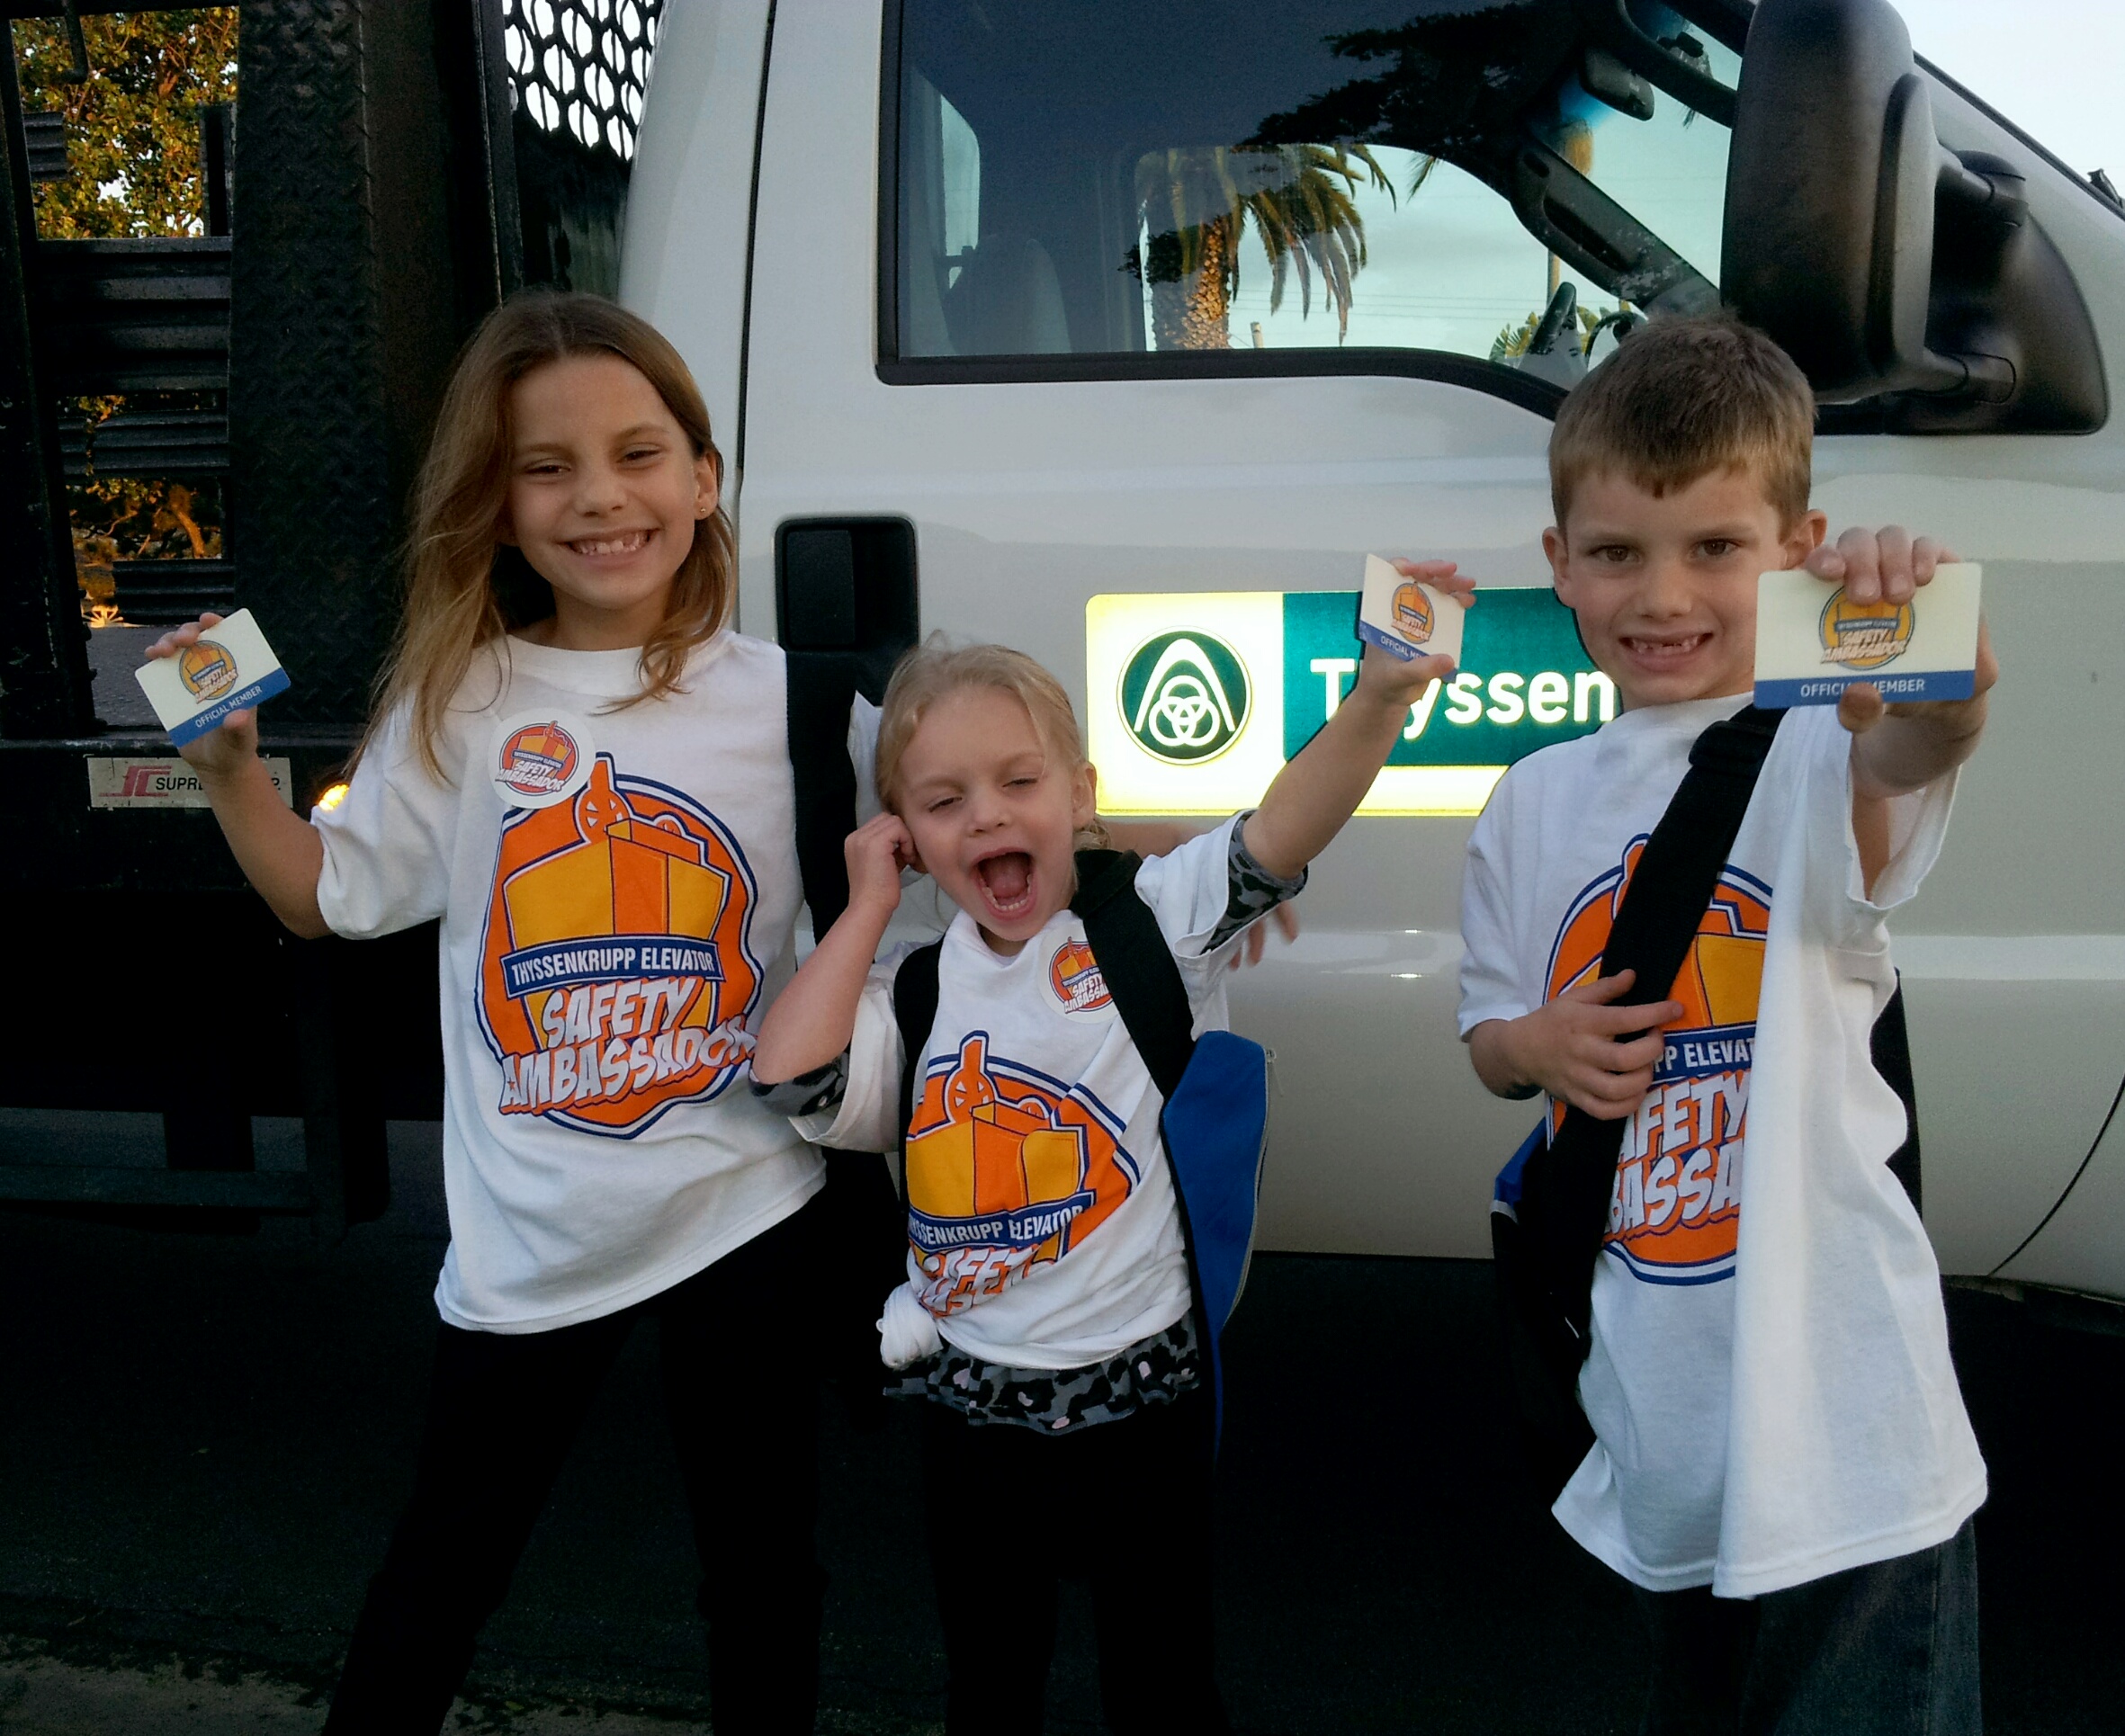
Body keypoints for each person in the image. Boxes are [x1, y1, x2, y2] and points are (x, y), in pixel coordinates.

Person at [144, 291, 847, 1734]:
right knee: (446, 1566)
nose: (599, 496)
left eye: (637, 453)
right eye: (547, 466)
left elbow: (989, 815)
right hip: (533, 1233)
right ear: (500, 504)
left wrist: (1173, 869)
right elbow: (326, 898)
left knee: (768, 1578)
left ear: (703, 478)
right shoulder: (462, 700)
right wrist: (228, 772)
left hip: (746, 1204)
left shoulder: (802, 702)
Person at [749, 618, 1467, 1733]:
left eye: (1018, 780)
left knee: (1162, 1688)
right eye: (942, 801)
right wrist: (868, 905)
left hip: (1144, 1399)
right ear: (906, 837)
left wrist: (1378, 700)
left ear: (1078, 792)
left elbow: (1281, 832)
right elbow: (789, 1078)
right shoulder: (912, 988)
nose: (987, 815)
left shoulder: (1152, 924)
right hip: (974, 1412)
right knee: (991, 1690)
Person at [1456, 316, 1993, 1733]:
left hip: (1851, 1436)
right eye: (1616, 551)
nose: (1662, 594)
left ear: (1796, 545)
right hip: (1663, 1426)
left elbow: (1914, 745)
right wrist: (1535, 1045)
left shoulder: (1819, 743)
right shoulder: (1527, 800)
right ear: (1558, 557)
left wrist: (1932, 676)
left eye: (1713, 546)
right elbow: (1489, 1035)